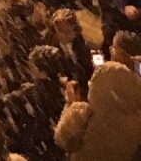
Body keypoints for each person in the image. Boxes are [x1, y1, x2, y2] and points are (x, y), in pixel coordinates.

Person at [56, 30, 141, 161]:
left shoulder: (106, 74)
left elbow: (64, 139)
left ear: (118, 53)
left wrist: (71, 104)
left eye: (113, 47)